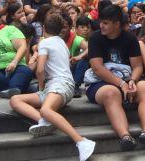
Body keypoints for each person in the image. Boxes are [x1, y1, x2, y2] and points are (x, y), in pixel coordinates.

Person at [9, 12, 96, 161]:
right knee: (15, 100)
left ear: (43, 28)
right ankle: (45, 121)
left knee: (46, 109)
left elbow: (40, 69)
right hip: (57, 86)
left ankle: (81, 141)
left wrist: (41, 88)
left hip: (60, 85)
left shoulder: (45, 43)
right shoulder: (61, 41)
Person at [85, 4, 145, 150]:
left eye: (105, 23)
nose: (101, 25)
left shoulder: (130, 38)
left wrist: (132, 81)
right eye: (101, 22)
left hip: (126, 80)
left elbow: (137, 66)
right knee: (111, 93)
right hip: (99, 83)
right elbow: (97, 68)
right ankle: (125, 136)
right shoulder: (95, 38)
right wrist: (120, 84)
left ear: (117, 24)